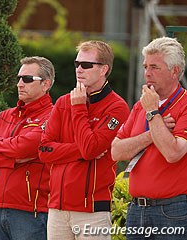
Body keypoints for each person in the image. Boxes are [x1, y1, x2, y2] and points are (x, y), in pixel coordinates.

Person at [39, 40, 130, 239]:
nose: (79, 69)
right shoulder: (63, 102)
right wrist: (82, 150)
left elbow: (91, 148)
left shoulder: (117, 107)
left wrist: (79, 107)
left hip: (93, 211)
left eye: (86, 65)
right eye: (77, 64)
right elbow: (44, 151)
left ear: (104, 69)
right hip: (57, 208)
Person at [111, 36, 187, 239]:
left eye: (155, 67)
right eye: (145, 66)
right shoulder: (140, 105)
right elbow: (116, 152)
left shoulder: (184, 105)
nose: (147, 73)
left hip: (173, 211)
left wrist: (153, 112)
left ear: (175, 71)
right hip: (137, 209)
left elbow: (173, 153)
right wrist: (151, 133)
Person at [0, 56, 55, 240]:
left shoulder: (52, 116)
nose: (19, 84)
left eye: (27, 79)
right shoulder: (5, 115)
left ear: (45, 84)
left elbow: (23, 148)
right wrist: (12, 158)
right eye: (18, 78)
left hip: (30, 211)